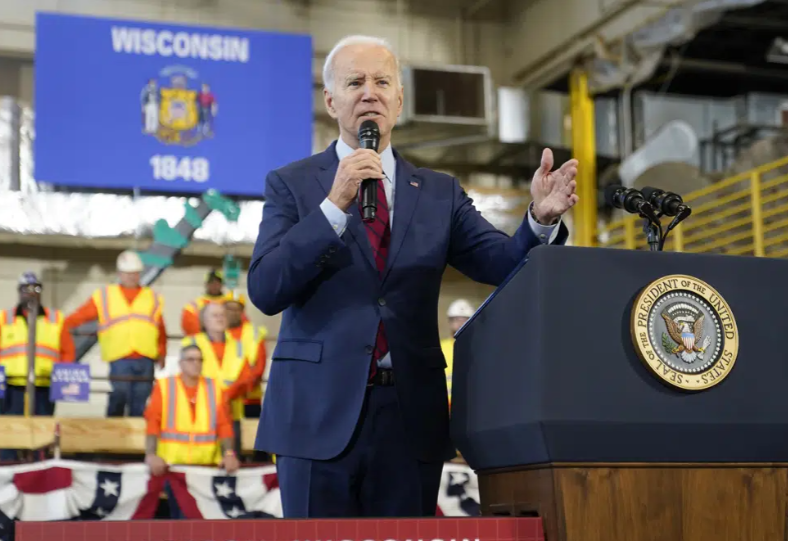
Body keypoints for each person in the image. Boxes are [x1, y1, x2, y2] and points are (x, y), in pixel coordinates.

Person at [247, 35, 578, 518]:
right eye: (355, 81)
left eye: (382, 81)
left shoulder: (440, 192)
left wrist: (540, 219)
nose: (370, 92)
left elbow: (502, 266)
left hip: (409, 418)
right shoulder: (292, 184)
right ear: (331, 100)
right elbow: (266, 288)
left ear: (399, 100)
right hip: (314, 418)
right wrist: (333, 207)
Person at [0, 272, 75, 460]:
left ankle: (38, 466)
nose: (31, 293)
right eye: (26, 289)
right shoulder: (4, 318)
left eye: (36, 289)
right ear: (19, 292)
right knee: (9, 428)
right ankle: (8, 465)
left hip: (44, 383)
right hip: (11, 384)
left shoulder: (55, 319)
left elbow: (68, 351)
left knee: (42, 428)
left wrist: (60, 377)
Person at [65, 250, 166, 417]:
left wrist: (163, 351)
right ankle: (113, 429)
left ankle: (136, 439)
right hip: (120, 356)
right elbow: (82, 314)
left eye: (134, 273)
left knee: (140, 400)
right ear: (120, 274)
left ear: (139, 274)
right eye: (127, 274)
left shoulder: (152, 298)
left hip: (145, 357)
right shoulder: (105, 295)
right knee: (120, 393)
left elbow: (160, 327)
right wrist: (62, 324)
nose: (131, 277)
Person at [144, 344, 240, 518]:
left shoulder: (215, 388)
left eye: (200, 360)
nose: (196, 363)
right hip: (173, 469)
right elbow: (153, 423)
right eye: (191, 359)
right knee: (181, 522)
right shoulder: (165, 386)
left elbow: (225, 425)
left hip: (205, 469)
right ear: (180, 363)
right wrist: (151, 455)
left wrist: (229, 453)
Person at [181, 303, 259, 459]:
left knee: (231, 461)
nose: (220, 318)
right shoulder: (191, 343)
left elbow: (246, 377)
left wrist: (226, 395)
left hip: (232, 414)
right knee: (201, 460)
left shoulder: (239, 346)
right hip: (201, 415)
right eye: (214, 315)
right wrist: (218, 396)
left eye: (222, 315)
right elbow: (187, 377)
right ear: (204, 320)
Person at [223, 291, 268, 420]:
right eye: (229, 308)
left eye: (237, 309)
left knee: (250, 437)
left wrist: (239, 388)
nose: (233, 312)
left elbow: (259, 367)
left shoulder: (255, 333)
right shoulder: (216, 332)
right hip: (222, 397)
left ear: (242, 311)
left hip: (249, 396)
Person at [439, 299, 475, 407]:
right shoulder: (441, 348)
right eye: (456, 319)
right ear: (450, 321)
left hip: (470, 405)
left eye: (464, 319)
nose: (460, 323)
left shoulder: (478, 348)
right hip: (445, 405)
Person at [181, 269, 226, 336]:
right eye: (211, 282)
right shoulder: (194, 305)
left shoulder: (230, 304)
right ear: (206, 284)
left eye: (217, 282)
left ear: (222, 284)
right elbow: (188, 328)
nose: (214, 285)